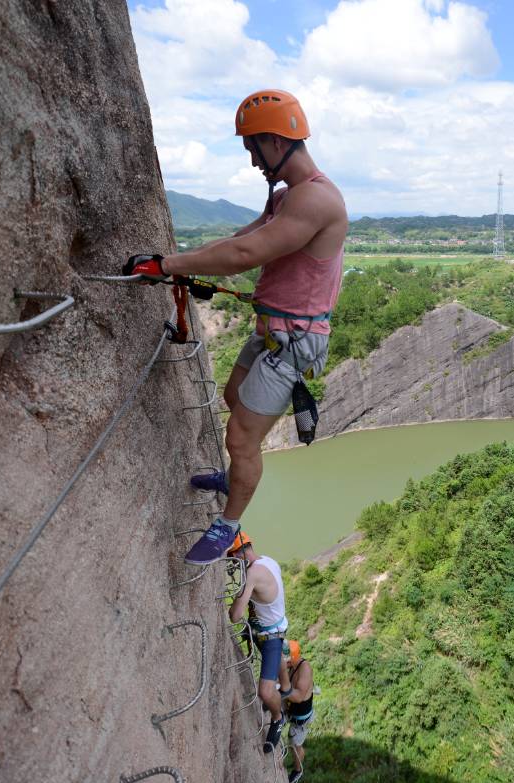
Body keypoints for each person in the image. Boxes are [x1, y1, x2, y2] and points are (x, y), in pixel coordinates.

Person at [123, 89, 348, 565]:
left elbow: (247, 255)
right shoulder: (289, 197)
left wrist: (167, 264)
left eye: (251, 146)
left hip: (294, 342)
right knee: (232, 400)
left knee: (241, 439)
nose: (250, 159)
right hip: (274, 332)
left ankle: (228, 524)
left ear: (273, 140)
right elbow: (246, 237)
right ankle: (236, 478)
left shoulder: (318, 200)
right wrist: (188, 264)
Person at [227, 532, 291, 752]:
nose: (233, 565)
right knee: (276, 661)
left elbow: (235, 615)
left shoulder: (252, 574)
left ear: (239, 553)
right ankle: (285, 688)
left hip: (271, 636)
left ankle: (277, 716)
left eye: (232, 559)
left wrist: (239, 597)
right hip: (275, 627)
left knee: (265, 691)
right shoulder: (268, 560)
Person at [283, 640, 314, 783]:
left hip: (300, 717)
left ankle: (297, 771)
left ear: (294, 657)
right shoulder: (292, 664)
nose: (286, 663)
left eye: (287, 661)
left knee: (295, 744)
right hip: (291, 708)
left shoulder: (305, 669)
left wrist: (278, 688)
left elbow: (299, 696)